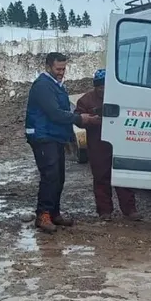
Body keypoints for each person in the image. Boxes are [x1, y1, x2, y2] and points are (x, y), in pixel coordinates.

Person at [25, 52, 99, 233]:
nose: (61, 72)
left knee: (58, 177)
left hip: (54, 136)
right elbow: (55, 113)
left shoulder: (56, 85)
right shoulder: (43, 86)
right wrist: (80, 120)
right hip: (43, 136)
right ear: (48, 66)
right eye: (58, 69)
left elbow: (61, 112)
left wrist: (68, 137)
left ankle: (54, 213)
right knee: (50, 176)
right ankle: (43, 215)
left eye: (64, 69)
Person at [74, 68, 140, 222]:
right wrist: (90, 120)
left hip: (119, 143)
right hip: (98, 144)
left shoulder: (120, 97)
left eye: (105, 86)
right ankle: (104, 211)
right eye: (100, 87)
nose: (103, 90)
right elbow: (78, 118)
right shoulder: (86, 100)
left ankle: (130, 210)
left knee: (123, 176)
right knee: (101, 177)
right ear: (95, 86)